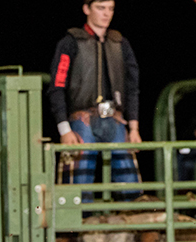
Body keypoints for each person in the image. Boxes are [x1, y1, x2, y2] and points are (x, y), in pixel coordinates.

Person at [48, 0, 142, 201]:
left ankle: (135, 222)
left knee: (129, 177)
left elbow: (132, 87)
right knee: (78, 181)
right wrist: (64, 129)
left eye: (110, 9)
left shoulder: (120, 43)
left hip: (115, 118)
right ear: (86, 9)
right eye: (101, 8)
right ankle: (79, 226)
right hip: (82, 119)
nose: (106, 14)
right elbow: (57, 86)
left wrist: (134, 128)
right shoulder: (70, 42)